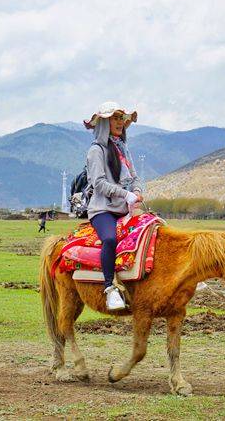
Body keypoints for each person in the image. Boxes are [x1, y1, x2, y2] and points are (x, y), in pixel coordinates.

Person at [84, 101, 144, 310]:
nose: (120, 122)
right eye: (115, 118)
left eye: (121, 118)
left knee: (156, 228)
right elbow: (98, 183)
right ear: (104, 123)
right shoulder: (96, 151)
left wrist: (136, 191)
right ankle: (110, 289)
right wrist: (124, 193)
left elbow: (135, 176)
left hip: (125, 207)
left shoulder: (123, 149)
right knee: (110, 239)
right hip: (103, 209)